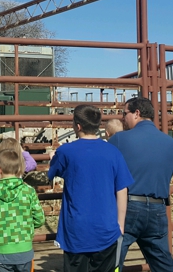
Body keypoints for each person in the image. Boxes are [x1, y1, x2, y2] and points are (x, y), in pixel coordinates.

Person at [48, 105, 133, 272]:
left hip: (76, 231)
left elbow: (52, 172)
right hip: (106, 229)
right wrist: (120, 224)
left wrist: (53, 156)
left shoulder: (65, 152)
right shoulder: (113, 152)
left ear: (77, 126)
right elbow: (122, 189)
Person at [108, 96, 173, 272]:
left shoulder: (119, 140)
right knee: (163, 263)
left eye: (125, 113)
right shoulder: (170, 143)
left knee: (113, 260)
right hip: (158, 208)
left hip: (128, 207)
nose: (123, 118)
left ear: (136, 113)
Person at [0, 149, 45, 272]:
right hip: (25, 249)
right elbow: (40, 219)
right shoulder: (29, 191)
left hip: (2, 249)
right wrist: (28, 227)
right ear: (20, 168)